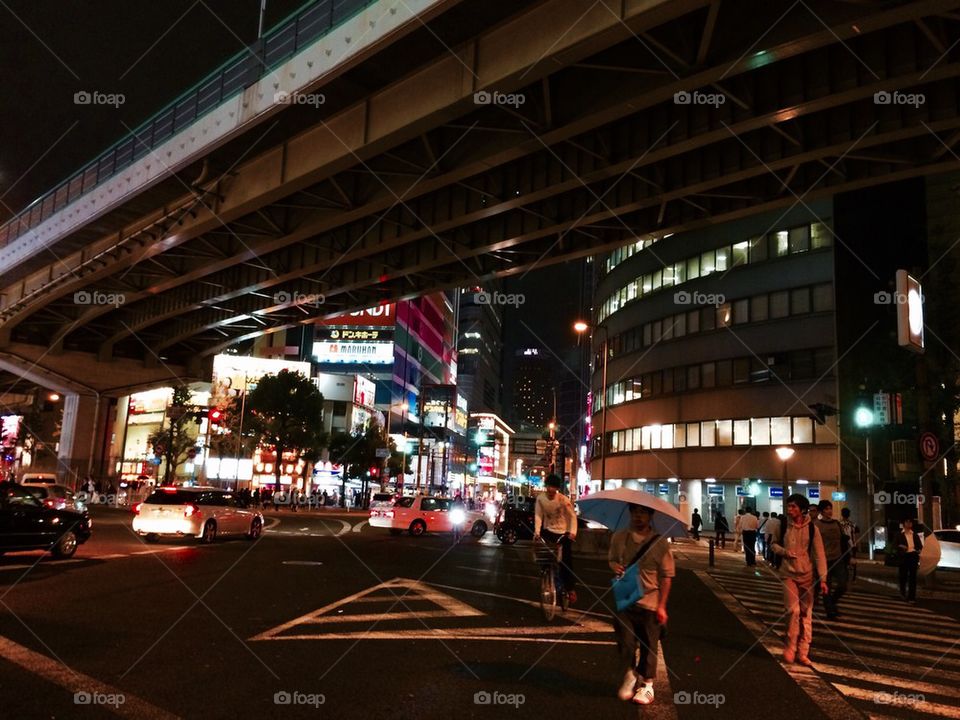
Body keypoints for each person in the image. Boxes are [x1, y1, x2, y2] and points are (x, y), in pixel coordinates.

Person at [609, 504, 674, 706]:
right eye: (635, 512)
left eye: (643, 512)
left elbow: (667, 577)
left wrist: (662, 606)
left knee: (648, 645)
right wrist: (615, 567)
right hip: (626, 598)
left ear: (650, 516)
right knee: (625, 642)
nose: (638, 516)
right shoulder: (619, 537)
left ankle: (647, 685)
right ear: (630, 513)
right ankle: (629, 674)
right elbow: (611, 560)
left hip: (650, 602)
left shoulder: (661, 543)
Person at [771, 494, 827, 665]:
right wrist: (784, 552)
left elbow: (819, 554)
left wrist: (823, 579)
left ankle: (803, 651)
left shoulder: (812, 529)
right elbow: (773, 544)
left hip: (807, 576)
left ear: (802, 509)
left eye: (793, 507)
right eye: (788, 506)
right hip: (788, 573)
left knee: (805, 613)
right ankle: (790, 646)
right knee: (792, 611)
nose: (790, 510)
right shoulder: (782, 525)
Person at [533, 474, 578, 604]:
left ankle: (570, 589)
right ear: (546, 486)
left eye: (554, 487)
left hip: (563, 533)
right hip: (548, 531)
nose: (551, 490)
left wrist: (573, 533)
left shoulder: (563, 500)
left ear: (557, 488)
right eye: (549, 487)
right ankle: (546, 575)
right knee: (544, 555)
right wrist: (537, 532)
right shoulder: (540, 499)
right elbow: (538, 516)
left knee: (566, 561)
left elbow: (572, 516)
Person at [814, 500, 848, 619]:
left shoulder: (836, 523)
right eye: (827, 509)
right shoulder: (816, 525)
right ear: (822, 511)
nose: (829, 511)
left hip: (838, 558)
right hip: (824, 560)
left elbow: (843, 539)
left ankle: (831, 603)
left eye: (830, 508)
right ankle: (830, 610)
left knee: (843, 585)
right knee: (826, 586)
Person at [896, 518, 923, 602]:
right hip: (904, 556)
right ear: (904, 524)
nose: (908, 523)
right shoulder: (899, 534)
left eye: (910, 522)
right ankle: (902, 593)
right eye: (907, 522)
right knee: (903, 576)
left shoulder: (914, 535)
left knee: (913, 577)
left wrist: (918, 550)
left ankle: (912, 596)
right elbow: (894, 545)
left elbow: (920, 546)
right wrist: (901, 546)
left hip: (913, 556)